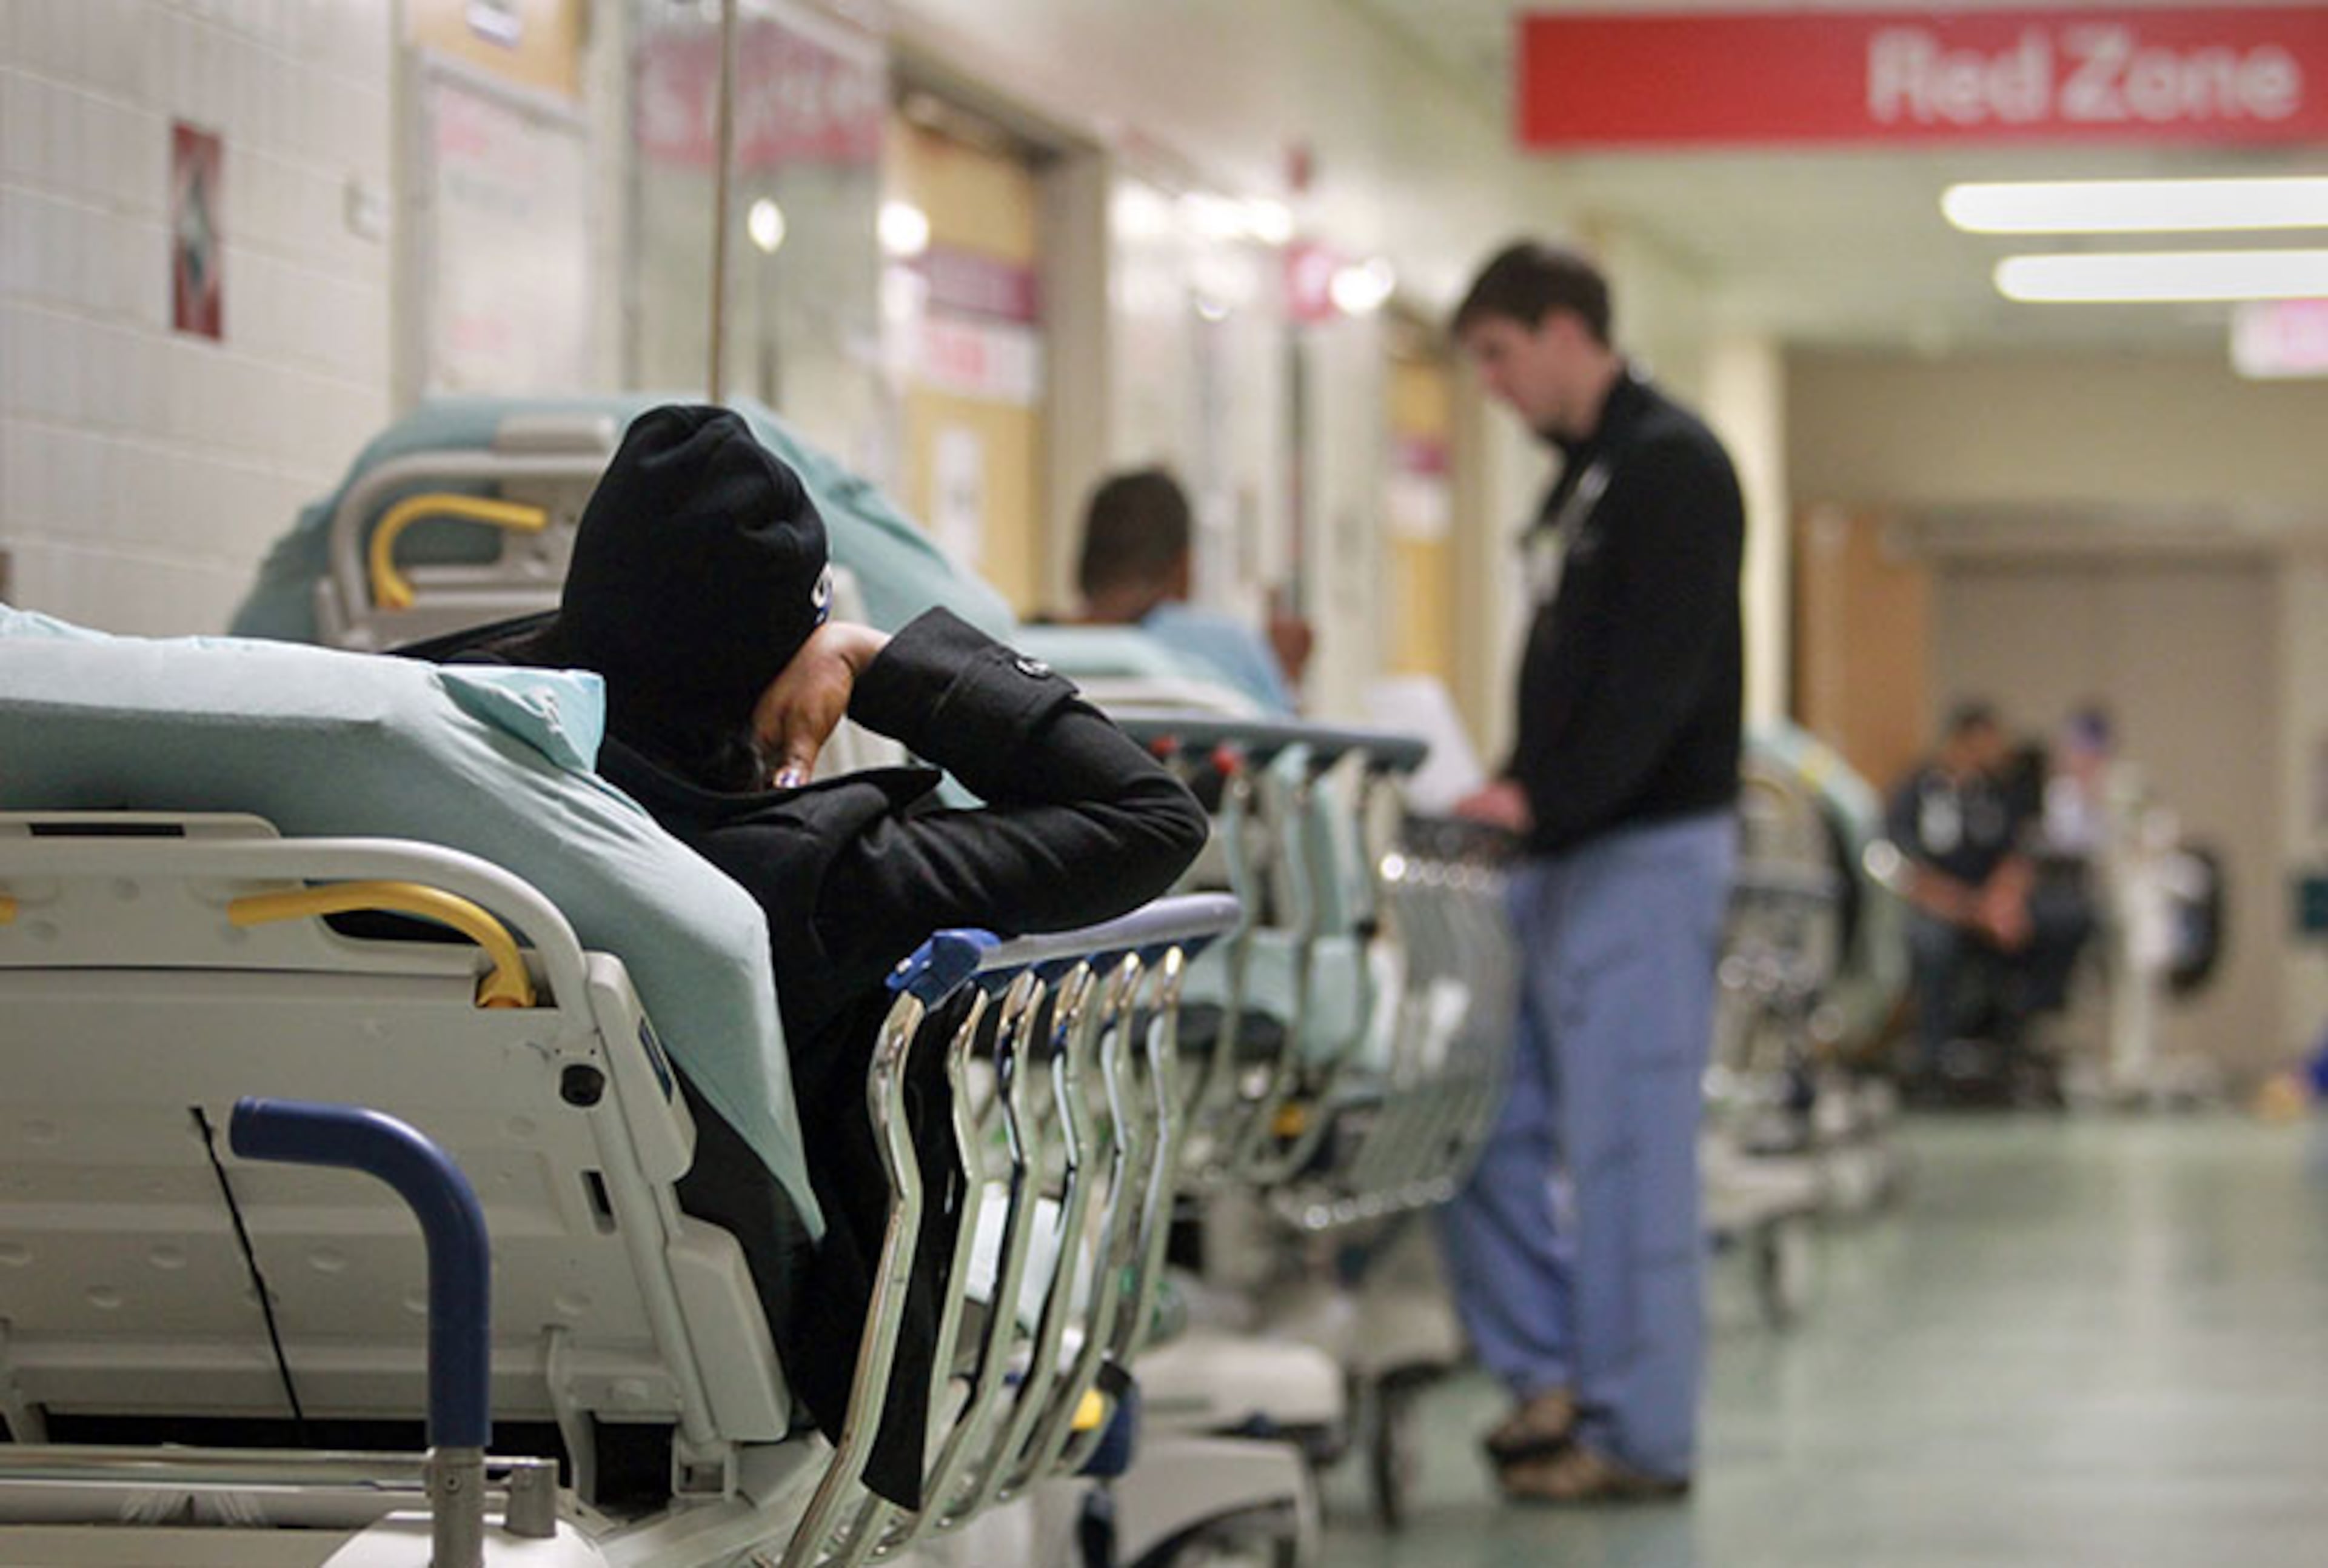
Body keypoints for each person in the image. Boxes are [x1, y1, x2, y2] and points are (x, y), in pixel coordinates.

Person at [407, 405, 1208, 1507]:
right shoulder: (809, 877)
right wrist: (879, 664)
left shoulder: (413, 787)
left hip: (393, 1299)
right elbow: (1150, 817)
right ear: (782, 664)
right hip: (717, 1356)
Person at [1436, 241, 1742, 1504]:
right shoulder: (1589, 481)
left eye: (1501, 358)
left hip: (1644, 853)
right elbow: (1574, 683)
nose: (1496, 390)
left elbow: (1658, 682)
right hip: (1559, 853)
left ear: (1567, 330)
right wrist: (1516, 790)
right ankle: (1555, 1376)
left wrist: (1539, 795)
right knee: (1474, 1119)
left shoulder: (1675, 466)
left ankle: (1641, 1437)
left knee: (1628, 1155)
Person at [1071, 465, 1311, 714]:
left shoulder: (1039, 651)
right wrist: (1287, 676)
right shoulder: (1226, 648)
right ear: (1184, 566)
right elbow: (1281, 740)